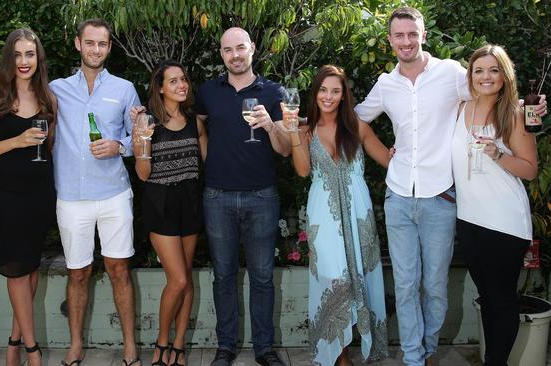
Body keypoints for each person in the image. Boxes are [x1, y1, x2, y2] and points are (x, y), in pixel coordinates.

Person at [352, 7, 546, 366]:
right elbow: (355, 120)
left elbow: (490, 92)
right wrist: (384, 157)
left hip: (442, 197)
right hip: (398, 196)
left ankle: (427, 351)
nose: (406, 41)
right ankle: (413, 358)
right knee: (407, 285)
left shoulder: (451, 74)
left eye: (413, 34)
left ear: (423, 34)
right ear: (390, 40)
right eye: (399, 35)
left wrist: (528, 109)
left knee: (435, 289)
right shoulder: (385, 84)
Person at [0, 18, 142, 366]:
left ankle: (129, 348)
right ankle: (75, 347)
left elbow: (138, 135)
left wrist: (120, 145)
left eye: (103, 44)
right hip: (69, 196)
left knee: (119, 270)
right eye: (90, 43)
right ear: (78, 44)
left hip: (113, 194)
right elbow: (14, 98)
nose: (96, 49)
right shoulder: (56, 90)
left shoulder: (125, 89)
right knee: (77, 272)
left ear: (109, 48)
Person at [194, 27, 291, 366]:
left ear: (252, 48)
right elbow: (197, 126)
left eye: (240, 48)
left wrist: (269, 126)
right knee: (223, 275)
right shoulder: (208, 91)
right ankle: (226, 346)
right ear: (221, 54)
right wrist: (210, 155)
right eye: (227, 50)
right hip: (217, 196)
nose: (235, 55)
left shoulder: (273, 91)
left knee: (263, 276)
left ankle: (264, 349)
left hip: (261, 196)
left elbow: (284, 150)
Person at [281, 65, 390, 365]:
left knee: (362, 276)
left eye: (335, 91)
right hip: (323, 215)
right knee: (332, 277)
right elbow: (303, 171)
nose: (328, 97)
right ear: (314, 93)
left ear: (344, 96)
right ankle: (338, 353)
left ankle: (359, 345)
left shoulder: (358, 126)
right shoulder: (304, 130)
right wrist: (292, 132)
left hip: (358, 212)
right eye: (323, 90)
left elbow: (390, 162)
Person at [0, 28, 56, 366]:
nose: (23, 61)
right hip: (5, 196)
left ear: (38, 59)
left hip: (39, 195)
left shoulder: (50, 99)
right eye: (17, 55)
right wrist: (15, 142)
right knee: (18, 270)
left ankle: (13, 343)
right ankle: (32, 351)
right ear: (9, 58)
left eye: (29, 54)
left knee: (31, 270)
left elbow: (51, 149)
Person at [452, 44, 537, 366]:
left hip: (504, 221)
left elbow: (530, 169)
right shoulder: (460, 108)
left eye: (493, 70)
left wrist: (498, 155)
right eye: (479, 70)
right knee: (486, 298)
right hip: (469, 219)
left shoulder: (513, 113)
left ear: (504, 74)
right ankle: (493, 360)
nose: (485, 76)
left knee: (501, 300)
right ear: (469, 75)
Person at [129, 60, 207, 366]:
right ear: (160, 87)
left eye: (183, 79)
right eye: (172, 81)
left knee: (186, 279)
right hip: (160, 203)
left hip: (189, 200)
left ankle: (178, 346)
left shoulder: (195, 121)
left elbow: (207, 162)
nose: (181, 85)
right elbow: (143, 174)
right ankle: (162, 340)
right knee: (176, 280)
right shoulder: (146, 121)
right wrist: (143, 142)